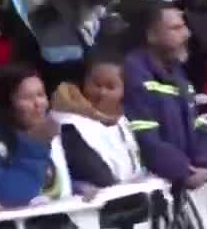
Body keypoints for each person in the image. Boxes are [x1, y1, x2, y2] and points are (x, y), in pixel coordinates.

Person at [122, 0, 207, 189]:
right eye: (175, 28)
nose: (187, 34)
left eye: (184, 26)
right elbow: (144, 138)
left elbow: (198, 127)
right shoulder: (133, 73)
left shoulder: (177, 72)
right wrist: (183, 171)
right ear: (151, 35)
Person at [0, 65, 72, 207]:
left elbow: (51, 182)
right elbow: (10, 196)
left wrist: (79, 187)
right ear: (6, 104)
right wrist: (35, 145)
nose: (38, 103)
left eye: (40, 94)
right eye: (26, 97)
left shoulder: (49, 133)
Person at [52, 53, 144, 193]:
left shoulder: (127, 119)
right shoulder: (70, 124)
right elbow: (100, 178)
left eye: (110, 87)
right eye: (96, 84)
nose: (102, 92)